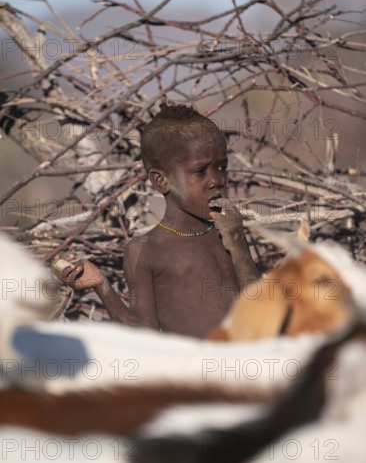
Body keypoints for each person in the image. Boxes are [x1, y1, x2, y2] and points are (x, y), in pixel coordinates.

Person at [55, 102, 259, 337]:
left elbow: (262, 310)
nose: (217, 180)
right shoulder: (146, 250)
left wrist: (238, 243)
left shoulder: (227, 232)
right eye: (200, 171)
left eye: (222, 167)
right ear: (161, 181)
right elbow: (144, 335)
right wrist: (101, 285)